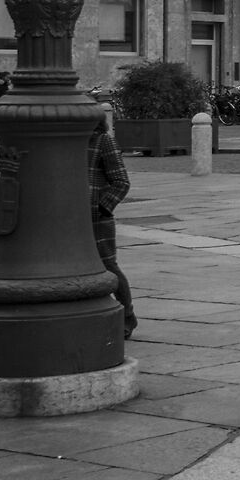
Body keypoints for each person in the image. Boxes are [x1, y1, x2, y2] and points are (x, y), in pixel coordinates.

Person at [88, 120, 135, 337]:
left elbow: (121, 181)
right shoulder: (70, 141)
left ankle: (127, 316)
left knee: (109, 266)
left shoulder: (103, 140)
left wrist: (103, 207)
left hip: (97, 217)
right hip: (70, 218)